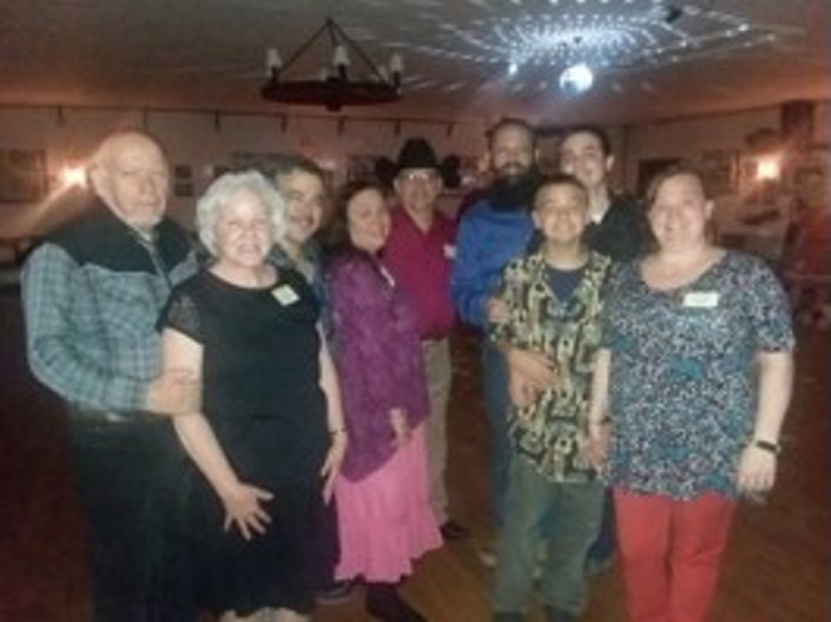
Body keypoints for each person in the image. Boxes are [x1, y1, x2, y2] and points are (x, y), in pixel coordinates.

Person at [586, 163, 795, 622]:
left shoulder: (748, 276)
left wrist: (764, 443)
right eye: (662, 204)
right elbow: (607, 351)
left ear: (707, 210)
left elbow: (777, 359)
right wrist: (595, 421)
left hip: (713, 442)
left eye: (686, 203)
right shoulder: (624, 277)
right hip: (636, 442)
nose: (673, 214)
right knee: (638, 553)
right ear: (649, 214)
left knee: (695, 556)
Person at [21, 128, 199, 621]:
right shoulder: (61, 253)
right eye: (132, 174)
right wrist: (143, 395)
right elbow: (46, 354)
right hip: (116, 438)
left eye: (158, 173)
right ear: (99, 180)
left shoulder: (176, 240)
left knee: (180, 561)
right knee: (126, 570)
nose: (150, 186)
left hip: (184, 428)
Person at [157, 171, 347, 622]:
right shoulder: (191, 301)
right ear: (212, 231)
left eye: (260, 221)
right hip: (239, 481)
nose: (249, 233)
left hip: (304, 473)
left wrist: (339, 432)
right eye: (234, 223)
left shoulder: (292, 286)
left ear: (275, 226)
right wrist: (228, 489)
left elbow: (320, 361)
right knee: (242, 606)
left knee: (295, 601)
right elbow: (184, 411)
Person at [489, 174, 611, 622]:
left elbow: (623, 353)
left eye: (572, 205)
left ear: (587, 215)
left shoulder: (612, 278)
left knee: (579, 528)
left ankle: (562, 600)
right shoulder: (517, 275)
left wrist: (610, 420)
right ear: (536, 218)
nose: (562, 215)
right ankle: (507, 606)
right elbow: (499, 330)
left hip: (589, 432)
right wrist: (512, 358)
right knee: (521, 526)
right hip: (533, 428)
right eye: (551, 207)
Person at [326, 180, 442, 622]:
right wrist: (394, 410)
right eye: (364, 213)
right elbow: (369, 348)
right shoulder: (353, 271)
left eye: (381, 211)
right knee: (382, 495)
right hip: (376, 406)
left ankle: (376, 571)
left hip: (397, 397)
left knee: (388, 494)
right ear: (345, 223)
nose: (378, 220)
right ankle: (381, 591)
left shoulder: (374, 265)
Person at [557, 124, 653, 573]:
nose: (578, 162)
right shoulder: (553, 219)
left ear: (610, 162)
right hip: (565, 364)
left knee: (610, 454)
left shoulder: (638, 223)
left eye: (589, 152)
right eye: (568, 156)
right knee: (571, 455)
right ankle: (574, 543)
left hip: (625, 363)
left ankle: (600, 548)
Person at [450, 118, 543, 564]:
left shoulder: (556, 205)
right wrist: (483, 305)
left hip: (563, 347)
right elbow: (461, 288)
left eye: (520, 148)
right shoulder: (475, 220)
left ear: (535, 154)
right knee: (509, 444)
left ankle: (553, 537)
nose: (511, 157)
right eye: (503, 149)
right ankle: (513, 539)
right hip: (503, 352)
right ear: (489, 158)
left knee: (559, 442)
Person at [384, 137, 468, 542]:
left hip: (438, 351)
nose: (418, 187)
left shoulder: (452, 231)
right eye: (409, 178)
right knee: (394, 434)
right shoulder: (381, 229)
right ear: (397, 187)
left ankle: (434, 512)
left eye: (427, 178)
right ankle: (396, 516)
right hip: (393, 355)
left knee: (434, 432)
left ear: (439, 185)